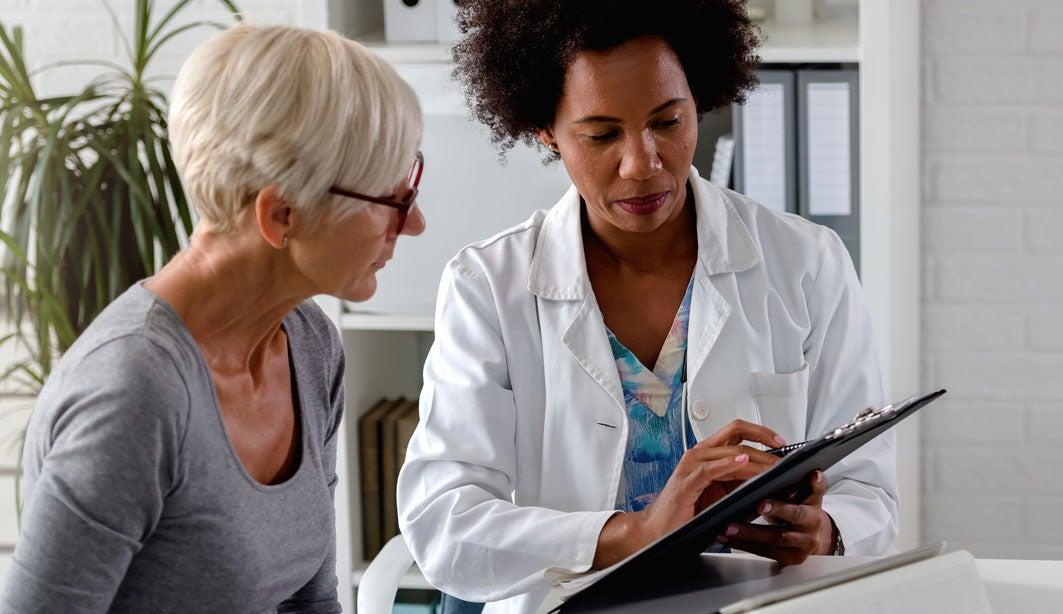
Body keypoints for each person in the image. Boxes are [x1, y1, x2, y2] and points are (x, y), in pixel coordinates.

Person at [397, 2, 896, 612]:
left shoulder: (807, 263)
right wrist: (635, 533)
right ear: (547, 130)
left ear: (700, 100)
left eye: (667, 121)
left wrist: (826, 531)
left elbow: (869, 491)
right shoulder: (487, 288)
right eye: (602, 134)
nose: (643, 164)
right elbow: (445, 524)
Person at [1, 24, 425, 612]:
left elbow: (310, 600)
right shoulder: (133, 394)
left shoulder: (310, 346)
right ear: (281, 215)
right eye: (393, 201)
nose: (415, 223)